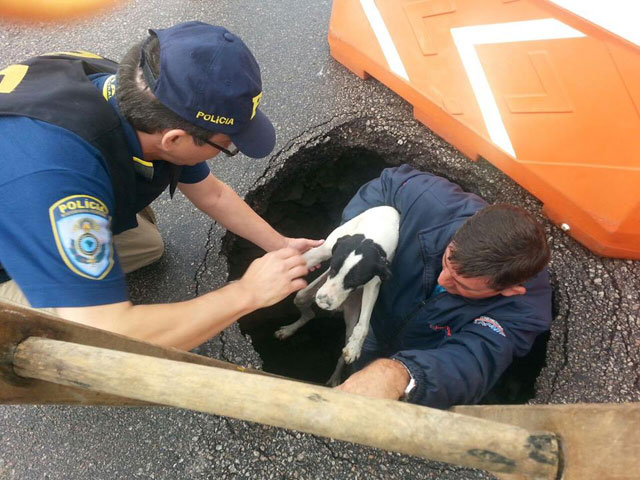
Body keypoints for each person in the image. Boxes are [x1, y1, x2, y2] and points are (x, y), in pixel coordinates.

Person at [0, 21, 320, 350]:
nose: (226, 153)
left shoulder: (145, 95)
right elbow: (106, 334)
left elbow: (214, 194)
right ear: (174, 139)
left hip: (35, 190)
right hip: (24, 213)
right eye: (227, 145)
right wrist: (247, 293)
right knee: (68, 337)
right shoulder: (59, 180)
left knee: (148, 245)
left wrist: (282, 245)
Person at [335, 164, 552, 409]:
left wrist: (401, 374)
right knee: (361, 360)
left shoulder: (524, 310)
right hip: (376, 320)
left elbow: (473, 360)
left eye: (460, 285)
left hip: (423, 356)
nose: (442, 280)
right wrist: (354, 247)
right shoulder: (430, 203)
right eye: (446, 261)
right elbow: (388, 184)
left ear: (509, 290)